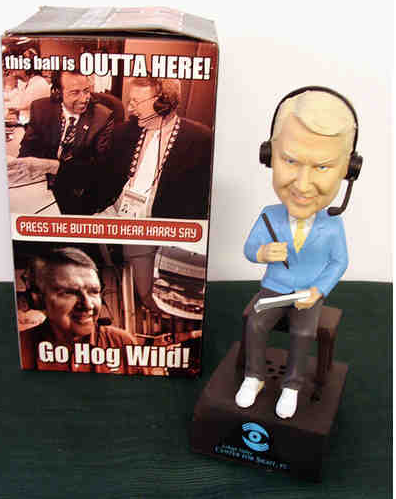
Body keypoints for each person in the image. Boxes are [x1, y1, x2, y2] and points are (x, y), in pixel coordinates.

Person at [235, 89, 356, 419]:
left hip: (307, 294)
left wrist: (319, 291)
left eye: (322, 166)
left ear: (349, 169)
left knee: (303, 333)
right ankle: (254, 377)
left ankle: (292, 386)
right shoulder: (268, 216)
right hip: (274, 288)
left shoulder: (332, 226)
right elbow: (249, 249)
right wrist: (262, 253)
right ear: (268, 156)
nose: (302, 185)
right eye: (290, 160)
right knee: (256, 323)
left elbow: (339, 261)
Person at [98, 78, 213, 219]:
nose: (129, 109)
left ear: (163, 104)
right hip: (115, 213)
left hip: (161, 223)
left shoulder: (199, 140)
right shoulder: (122, 132)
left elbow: (197, 203)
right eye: (130, 101)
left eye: (136, 102)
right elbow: (104, 184)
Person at [7, 69, 114, 214]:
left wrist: (53, 166)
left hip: (78, 191)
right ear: (58, 92)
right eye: (75, 93)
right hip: (42, 185)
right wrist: (23, 166)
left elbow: (97, 169)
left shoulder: (102, 117)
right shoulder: (41, 108)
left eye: (86, 91)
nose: (84, 99)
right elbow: (28, 150)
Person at [19, 247, 140, 373]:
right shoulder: (18, 348)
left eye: (94, 292)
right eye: (69, 292)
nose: (88, 304)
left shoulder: (122, 343)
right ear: (39, 299)